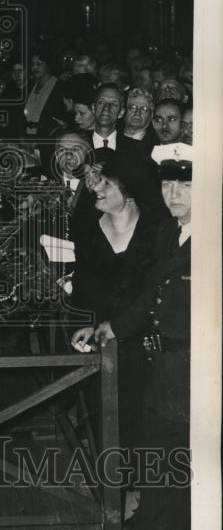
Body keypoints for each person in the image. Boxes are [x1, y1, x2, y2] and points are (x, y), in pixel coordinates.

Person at [75, 144, 192, 530]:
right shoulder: (169, 233)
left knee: (205, 486)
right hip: (164, 377)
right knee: (162, 482)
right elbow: (148, 298)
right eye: (167, 183)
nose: (174, 194)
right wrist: (111, 328)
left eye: (186, 184)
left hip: (200, 374)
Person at [68, 155, 159, 460]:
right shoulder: (88, 229)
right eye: (97, 180)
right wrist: (84, 324)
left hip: (145, 347)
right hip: (102, 344)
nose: (96, 188)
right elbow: (82, 288)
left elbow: (154, 295)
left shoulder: (158, 231)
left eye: (106, 183)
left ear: (129, 191)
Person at [23, 48, 67, 141]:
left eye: (39, 64)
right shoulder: (29, 86)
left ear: (48, 65)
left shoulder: (60, 86)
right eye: (32, 64)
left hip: (48, 139)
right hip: (27, 138)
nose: (35, 68)